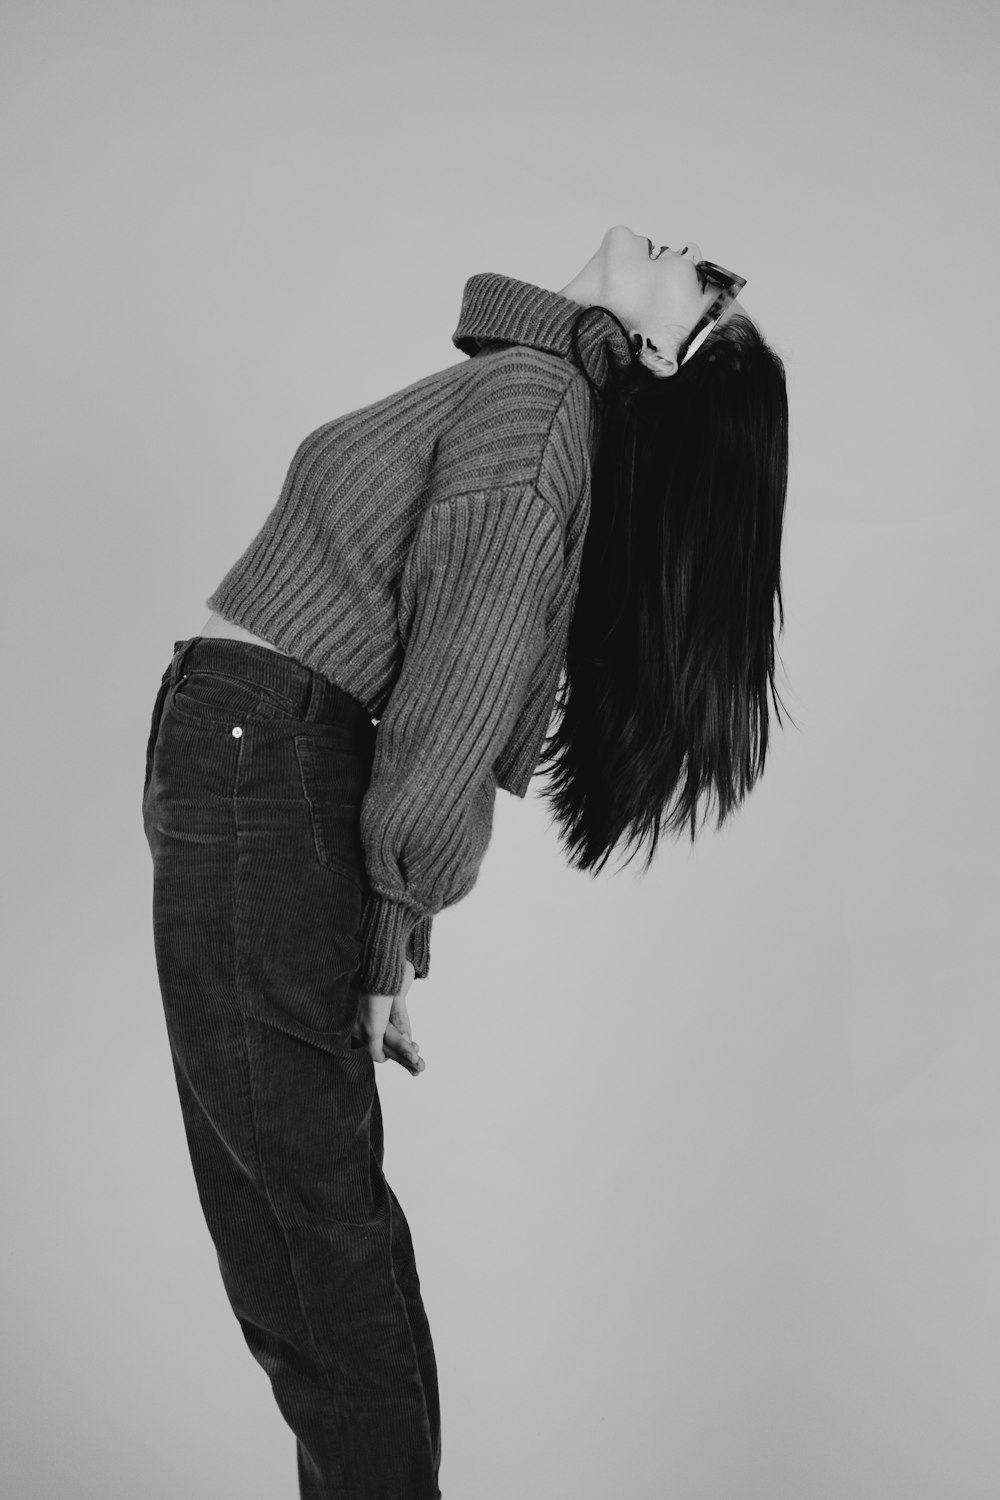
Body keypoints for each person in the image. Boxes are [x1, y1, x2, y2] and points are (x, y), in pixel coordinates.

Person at [141, 223, 789, 1499]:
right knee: (316, 1231)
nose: (699, 248)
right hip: (255, 762)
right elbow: (459, 658)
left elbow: (460, 681)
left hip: (259, 763)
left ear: (662, 353)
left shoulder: (536, 407)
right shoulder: (537, 387)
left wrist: (390, 924)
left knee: (305, 1245)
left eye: (707, 286)